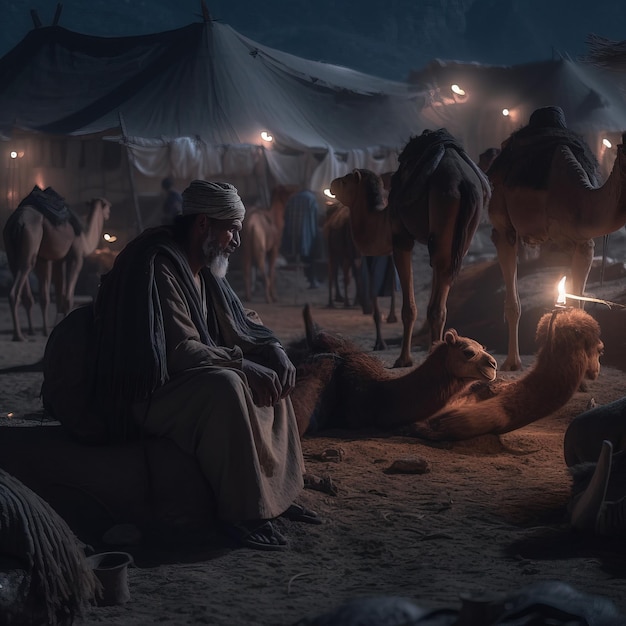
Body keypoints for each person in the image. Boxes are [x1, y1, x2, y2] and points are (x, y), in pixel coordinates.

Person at [91, 180, 319, 551]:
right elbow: (182, 350)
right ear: (203, 225)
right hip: (154, 391)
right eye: (231, 228)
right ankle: (244, 513)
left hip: (189, 378)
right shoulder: (163, 267)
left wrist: (273, 347)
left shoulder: (204, 269)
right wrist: (243, 364)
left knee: (273, 372)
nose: (237, 241)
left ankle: (278, 497)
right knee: (228, 386)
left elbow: (242, 318)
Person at [280, 189, 323, 288]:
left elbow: (286, 217)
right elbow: (315, 217)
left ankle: (307, 278)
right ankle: (312, 280)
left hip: (293, 237)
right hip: (307, 236)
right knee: (313, 254)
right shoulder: (311, 199)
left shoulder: (292, 199)